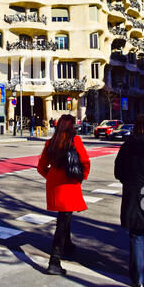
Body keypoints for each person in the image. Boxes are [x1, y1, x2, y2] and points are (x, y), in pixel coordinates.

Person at [37, 114, 90, 275]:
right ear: (71, 127)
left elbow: (41, 167)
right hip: (70, 184)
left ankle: (67, 244)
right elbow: (85, 161)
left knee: (65, 215)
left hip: (55, 185)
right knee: (62, 221)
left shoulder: (50, 142)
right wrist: (82, 177)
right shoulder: (75, 140)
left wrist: (51, 177)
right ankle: (54, 261)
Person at [114, 114, 144, 287]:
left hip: (134, 193)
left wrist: (128, 181)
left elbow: (118, 171)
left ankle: (138, 278)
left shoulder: (128, 146)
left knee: (137, 235)